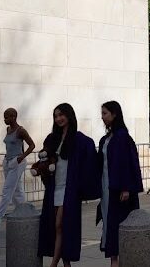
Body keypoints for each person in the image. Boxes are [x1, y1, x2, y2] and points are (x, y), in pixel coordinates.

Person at [38, 103, 101, 267]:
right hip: (54, 188)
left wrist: (84, 187)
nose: (58, 118)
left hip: (69, 189)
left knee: (61, 225)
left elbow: (89, 164)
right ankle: (66, 264)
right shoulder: (52, 139)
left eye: (61, 115)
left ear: (69, 115)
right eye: (56, 116)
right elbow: (44, 161)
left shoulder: (80, 140)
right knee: (56, 226)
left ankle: (53, 264)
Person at [98, 101, 143, 267]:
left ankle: (119, 261)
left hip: (119, 189)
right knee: (109, 224)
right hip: (106, 187)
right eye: (102, 113)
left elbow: (126, 162)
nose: (102, 117)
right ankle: (114, 262)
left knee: (118, 224)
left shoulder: (122, 136)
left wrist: (125, 187)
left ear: (114, 114)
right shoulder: (107, 138)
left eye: (105, 113)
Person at [0, 107, 35, 230]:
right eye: (4, 117)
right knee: (17, 190)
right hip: (7, 161)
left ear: (14, 116)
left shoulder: (21, 131)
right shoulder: (8, 129)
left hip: (17, 162)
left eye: (7, 117)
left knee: (7, 189)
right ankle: (23, 212)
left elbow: (32, 145)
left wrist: (21, 157)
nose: (5, 119)